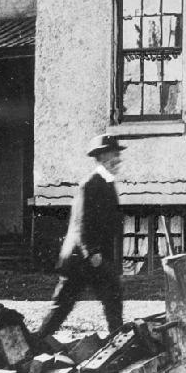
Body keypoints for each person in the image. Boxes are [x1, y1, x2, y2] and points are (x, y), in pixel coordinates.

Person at [37, 133, 126, 339]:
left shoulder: (107, 183)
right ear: (102, 158)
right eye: (114, 155)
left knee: (113, 295)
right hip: (81, 259)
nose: (118, 160)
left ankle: (118, 340)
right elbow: (81, 222)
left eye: (117, 155)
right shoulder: (90, 184)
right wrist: (92, 252)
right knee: (63, 306)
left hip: (93, 259)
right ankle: (37, 342)